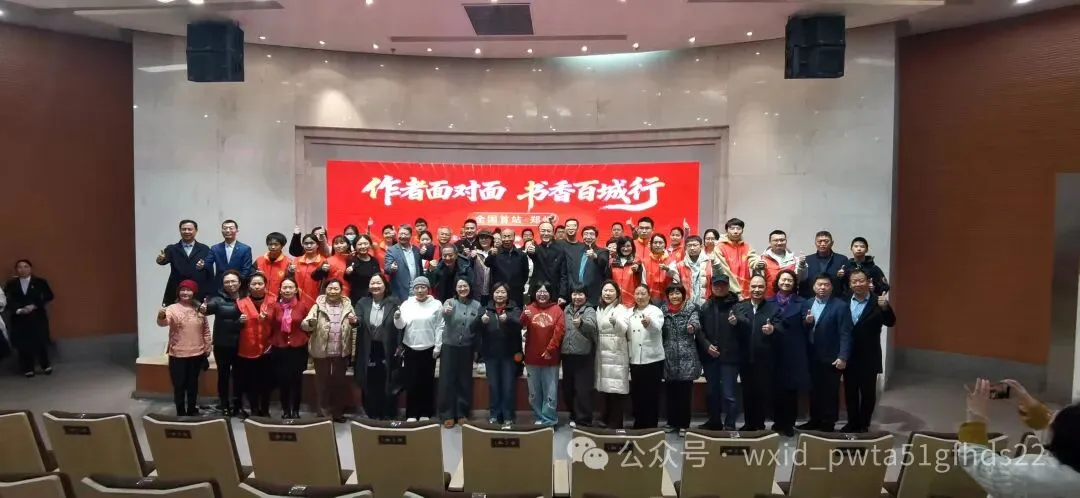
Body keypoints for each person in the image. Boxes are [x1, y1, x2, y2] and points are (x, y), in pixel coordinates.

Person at [958, 378, 1080, 496]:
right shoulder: (1073, 464)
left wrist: (975, 419)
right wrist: (1036, 412)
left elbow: (986, 467)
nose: (1052, 417)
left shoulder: (1037, 478)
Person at [842, 269, 896, 433]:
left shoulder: (877, 301)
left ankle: (864, 423)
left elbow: (891, 322)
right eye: (854, 281)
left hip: (869, 354)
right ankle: (852, 422)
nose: (858, 284)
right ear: (850, 284)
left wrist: (886, 307)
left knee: (868, 392)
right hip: (849, 354)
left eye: (861, 280)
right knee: (850, 391)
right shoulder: (844, 300)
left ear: (868, 282)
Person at [798, 274, 852, 432]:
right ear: (814, 287)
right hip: (811, 355)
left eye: (826, 285)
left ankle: (828, 422)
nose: (822, 287)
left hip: (832, 356)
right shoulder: (807, 303)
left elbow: (845, 333)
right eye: (819, 284)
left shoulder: (840, 306)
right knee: (813, 389)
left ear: (831, 287)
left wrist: (843, 356)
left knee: (830, 391)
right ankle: (814, 420)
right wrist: (807, 322)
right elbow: (803, 328)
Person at [731, 275, 782, 431]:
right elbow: (735, 332)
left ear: (765, 288)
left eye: (760, 287)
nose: (757, 289)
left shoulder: (773, 308)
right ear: (749, 287)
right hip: (744, 358)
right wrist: (734, 324)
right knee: (747, 392)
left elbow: (782, 328)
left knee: (762, 392)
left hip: (765, 359)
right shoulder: (739, 307)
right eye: (754, 286)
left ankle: (759, 424)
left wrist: (773, 329)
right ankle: (749, 423)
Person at [302, 279, 357, 423]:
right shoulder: (317, 306)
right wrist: (310, 323)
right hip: (321, 351)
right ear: (325, 290)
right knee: (322, 384)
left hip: (341, 351)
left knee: (340, 384)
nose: (333, 291)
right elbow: (305, 324)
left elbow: (355, 326)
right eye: (330, 288)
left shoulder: (348, 306)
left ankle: (337, 413)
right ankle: (323, 415)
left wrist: (354, 322)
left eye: (336, 289)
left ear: (341, 290)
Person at [156, 279, 211, 415]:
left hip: (197, 353)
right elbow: (163, 323)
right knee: (179, 385)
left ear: (194, 293)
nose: (185, 292)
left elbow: (205, 330)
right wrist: (161, 316)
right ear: (178, 292)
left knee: (193, 385)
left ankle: (192, 409)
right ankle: (180, 412)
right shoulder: (172, 309)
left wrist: (207, 347)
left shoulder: (200, 309)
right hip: (178, 354)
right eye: (183, 290)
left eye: (189, 290)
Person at [352, 273, 402, 420]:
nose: (375, 286)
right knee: (370, 380)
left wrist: (400, 345)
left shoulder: (394, 302)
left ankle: (388, 413)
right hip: (368, 348)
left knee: (387, 380)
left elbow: (400, 326)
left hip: (388, 348)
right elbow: (358, 320)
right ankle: (372, 413)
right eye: (372, 283)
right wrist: (354, 321)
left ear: (385, 285)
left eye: (378, 283)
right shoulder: (363, 302)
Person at [393, 276, 444, 421]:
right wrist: (397, 317)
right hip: (410, 348)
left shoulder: (436, 304)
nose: (420, 290)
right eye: (417, 288)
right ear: (413, 289)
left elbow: (440, 326)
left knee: (426, 382)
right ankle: (411, 414)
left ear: (428, 289)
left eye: (423, 287)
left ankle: (425, 413)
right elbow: (400, 325)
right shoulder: (407, 304)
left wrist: (438, 346)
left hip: (429, 349)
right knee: (412, 382)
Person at [767, 269, 810, 436]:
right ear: (777, 282)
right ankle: (777, 422)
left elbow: (806, 324)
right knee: (775, 388)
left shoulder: (802, 302)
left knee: (791, 390)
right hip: (773, 350)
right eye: (783, 280)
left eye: (789, 280)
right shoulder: (769, 301)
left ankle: (789, 424)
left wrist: (808, 322)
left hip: (793, 350)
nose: (786, 283)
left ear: (794, 284)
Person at [695, 274, 741, 430]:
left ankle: (730, 424)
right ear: (712, 287)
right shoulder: (706, 306)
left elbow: (745, 328)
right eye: (716, 285)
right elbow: (699, 331)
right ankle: (714, 421)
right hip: (710, 357)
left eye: (723, 285)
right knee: (711, 392)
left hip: (730, 357)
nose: (719, 288)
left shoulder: (738, 306)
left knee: (729, 394)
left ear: (728, 286)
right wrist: (707, 346)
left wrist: (737, 322)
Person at [438, 278, 482, 427]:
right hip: (449, 346)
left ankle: (462, 412)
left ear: (470, 287)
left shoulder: (476, 305)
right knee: (447, 380)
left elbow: (477, 329)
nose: (463, 289)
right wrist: (445, 312)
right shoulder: (449, 302)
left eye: (465, 286)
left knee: (464, 380)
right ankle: (447, 414)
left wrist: (477, 350)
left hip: (467, 347)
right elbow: (443, 317)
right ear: (456, 289)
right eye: (460, 286)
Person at [200, 270, 245, 416]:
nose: (230, 284)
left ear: (239, 282)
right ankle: (224, 404)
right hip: (222, 344)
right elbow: (207, 308)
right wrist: (203, 307)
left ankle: (238, 405)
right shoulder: (217, 299)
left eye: (233, 281)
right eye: (227, 282)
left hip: (241, 343)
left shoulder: (246, 297)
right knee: (223, 376)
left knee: (239, 376)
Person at [479, 282, 524, 424]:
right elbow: (474, 328)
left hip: (509, 356)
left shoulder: (514, 309)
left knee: (508, 386)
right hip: (491, 355)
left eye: (503, 292)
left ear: (507, 294)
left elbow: (520, 324)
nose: (500, 295)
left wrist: (508, 319)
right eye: (497, 292)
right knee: (493, 386)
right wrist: (481, 321)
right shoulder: (485, 309)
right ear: (492, 294)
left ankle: (508, 416)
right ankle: (494, 414)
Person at [521, 282, 565, 425]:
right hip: (532, 358)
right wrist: (524, 316)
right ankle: (539, 417)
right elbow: (521, 325)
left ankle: (549, 420)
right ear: (534, 293)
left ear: (550, 294)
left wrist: (549, 350)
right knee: (534, 392)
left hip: (551, 358)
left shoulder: (557, 310)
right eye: (539, 291)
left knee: (550, 393)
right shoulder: (529, 308)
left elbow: (559, 332)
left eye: (545, 292)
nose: (542, 294)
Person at [268, 277, 312, 419]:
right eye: (284, 287)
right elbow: (269, 326)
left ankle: (296, 410)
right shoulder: (274, 306)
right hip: (280, 349)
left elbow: (309, 326)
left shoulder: (303, 306)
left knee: (297, 381)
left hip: (298, 349)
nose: (287, 290)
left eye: (290, 287)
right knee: (283, 380)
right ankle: (286, 410)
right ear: (280, 290)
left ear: (296, 290)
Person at [661, 283, 701, 436]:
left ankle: (684, 424)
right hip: (669, 355)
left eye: (678, 293)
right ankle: (672, 422)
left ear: (683, 295)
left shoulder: (690, 308)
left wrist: (692, 327)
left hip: (687, 356)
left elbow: (696, 322)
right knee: (671, 392)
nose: (675, 296)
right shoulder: (663, 310)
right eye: (671, 293)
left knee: (684, 394)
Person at [4, 260, 55, 377]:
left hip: (37, 316)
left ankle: (45, 365)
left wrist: (35, 305)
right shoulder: (11, 284)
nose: (23, 269)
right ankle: (28, 368)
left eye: (26, 266)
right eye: (20, 267)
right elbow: (7, 299)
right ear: (16, 270)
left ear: (30, 268)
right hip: (19, 317)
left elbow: (49, 296)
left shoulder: (40, 282)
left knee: (40, 340)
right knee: (23, 343)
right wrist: (19, 309)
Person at [234, 272, 274, 417]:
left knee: (267, 382)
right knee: (251, 382)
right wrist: (239, 322)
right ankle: (254, 410)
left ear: (265, 285)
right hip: (248, 348)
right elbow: (233, 326)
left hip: (268, 348)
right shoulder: (240, 303)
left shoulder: (274, 301)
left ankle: (265, 410)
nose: (257, 286)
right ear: (249, 286)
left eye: (260, 283)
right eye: (254, 284)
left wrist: (268, 318)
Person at [627, 284, 665, 429]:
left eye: (643, 293)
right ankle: (638, 422)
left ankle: (651, 425)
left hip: (652, 359)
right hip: (635, 358)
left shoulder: (655, 311)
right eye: (637, 293)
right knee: (637, 393)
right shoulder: (629, 312)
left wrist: (649, 323)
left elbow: (657, 328)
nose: (640, 296)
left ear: (649, 296)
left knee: (651, 394)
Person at [595, 280, 631, 429]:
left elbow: (623, 330)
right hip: (602, 353)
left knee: (616, 389)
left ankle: (616, 423)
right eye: (605, 290)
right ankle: (604, 419)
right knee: (605, 389)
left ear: (617, 293)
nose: (607, 293)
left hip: (616, 353)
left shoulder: (622, 309)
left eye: (611, 291)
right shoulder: (599, 309)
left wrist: (615, 322)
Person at [562, 285, 598, 428]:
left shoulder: (589, 310)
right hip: (567, 355)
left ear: (586, 296)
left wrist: (581, 323)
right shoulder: (566, 309)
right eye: (574, 294)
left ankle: (584, 420)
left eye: (580, 294)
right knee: (568, 388)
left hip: (584, 356)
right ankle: (573, 415)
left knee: (582, 390)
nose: (577, 297)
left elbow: (593, 326)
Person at [157, 219, 213, 304]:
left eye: (190, 229)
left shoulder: (205, 249)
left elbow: (210, 272)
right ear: (180, 231)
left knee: (198, 312)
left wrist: (209, 293)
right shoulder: (172, 248)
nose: (186, 231)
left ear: (196, 231)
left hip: (198, 290)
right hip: (176, 290)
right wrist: (160, 259)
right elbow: (163, 261)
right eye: (184, 229)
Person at [712, 219, 756, 299]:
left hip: (746, 291)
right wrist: (737, 291)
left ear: (742, 230)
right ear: (726, 230)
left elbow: (753, 259)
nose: (735, 231)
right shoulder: (719, 247)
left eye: (738, 228)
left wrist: (757, 263)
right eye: (732, 228)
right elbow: (724, 271)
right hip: (728, 291)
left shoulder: (747, 247)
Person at [206, 220, 253, 293]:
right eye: (225, 228)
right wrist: (201, 265)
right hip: (219, 286)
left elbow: (246, 269)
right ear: (222, 231)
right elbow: (207, 264)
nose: (227, 231)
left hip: (238, 287)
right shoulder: (215, 248)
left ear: (237, 230)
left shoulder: (245, 249)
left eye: (231, 228)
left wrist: (236, 282)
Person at [527, 222, 569, 305]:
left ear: (553, 233)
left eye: (548, 231)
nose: (546, 233)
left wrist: (562, 295)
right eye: (543, 231)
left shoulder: (561, 250)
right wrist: (529, 252)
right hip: (537, 291)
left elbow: (564, 275)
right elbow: (532, 254)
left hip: (554, 292)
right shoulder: (535, 249)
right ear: (539, 232)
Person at [485, 228, 529, 306]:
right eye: (504, 236)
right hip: (499, 292)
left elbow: (525, 274)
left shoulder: (522, 255)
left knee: (516, 312)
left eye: (509, 236)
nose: (507, 239)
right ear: (501, 238)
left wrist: (518, 285)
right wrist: (491, 255)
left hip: (516, 292)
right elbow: (487, 264)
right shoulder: (495, 252)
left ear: (514, 237)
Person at [799, 231, 849, 298]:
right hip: (811, 298)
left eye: (826, 241)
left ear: (832, 243)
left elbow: (848, 282)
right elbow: (802, 281)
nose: (822, 244)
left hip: (835, 298)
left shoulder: (842, 259)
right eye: (819, 241)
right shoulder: (807, 260)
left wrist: (843, 275)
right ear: (815, 243)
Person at [385, 225, 424, 300]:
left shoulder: (416, 249)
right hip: (400, 291)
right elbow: (387, 268)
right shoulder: (392, 250)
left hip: (416, 289)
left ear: (410, 235)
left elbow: (420, 269)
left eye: (405, 234)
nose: (402, 236)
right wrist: (391, 268)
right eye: (401, 234)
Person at [675, 235, 716, 307]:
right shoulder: (680, 266)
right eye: (689, 245)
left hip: (707, 304)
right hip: (686, 305)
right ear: (686, 247)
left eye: (695, 245)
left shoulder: (709, 263)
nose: (692, 248)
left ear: (701, 246)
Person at [253, 232, 293, 301]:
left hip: (279, 299)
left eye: (276, 244)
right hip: (260, 298)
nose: (273, 247)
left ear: (282, 246)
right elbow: (251, 278)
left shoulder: (288, 262)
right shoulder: (259, 260)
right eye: (270, 244)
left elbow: (290, 282)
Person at [294, 233, 329, 308]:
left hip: (316, 301)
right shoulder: (296, 261)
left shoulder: (324, 261)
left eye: (312, 243)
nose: (309, 246)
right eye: (306, 243)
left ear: (317, 245)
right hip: (296, 301)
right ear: (303, 245)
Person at [345, 234, 381, 302]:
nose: (363, 246)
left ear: (370, 245)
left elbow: (379, 277)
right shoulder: (352, 260)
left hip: (374, 297)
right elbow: (347, 279)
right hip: (358, 298)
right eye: (360, 244)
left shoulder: (374, 260)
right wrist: (348, 273)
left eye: (365, 243)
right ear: (355, 246)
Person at [641, 234, 678, 301]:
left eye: (660, 243)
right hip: (650, 297)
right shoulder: (644, 261)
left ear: (665, 244)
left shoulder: (671, 260)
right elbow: (643, 281)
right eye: (655, 243)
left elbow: (676, 279)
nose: (657, 245)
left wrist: (668, 269)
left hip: (668, 297)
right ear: (651, 244)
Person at [609, 237, 643, 307]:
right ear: (619, 247)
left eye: (628, 246)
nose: (625, 249)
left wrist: (638, 269)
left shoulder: (637, 261)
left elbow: (642, 280)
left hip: (632, 302)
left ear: (632, 247)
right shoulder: (612, 262)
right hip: (614, 301)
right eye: (623, 246)